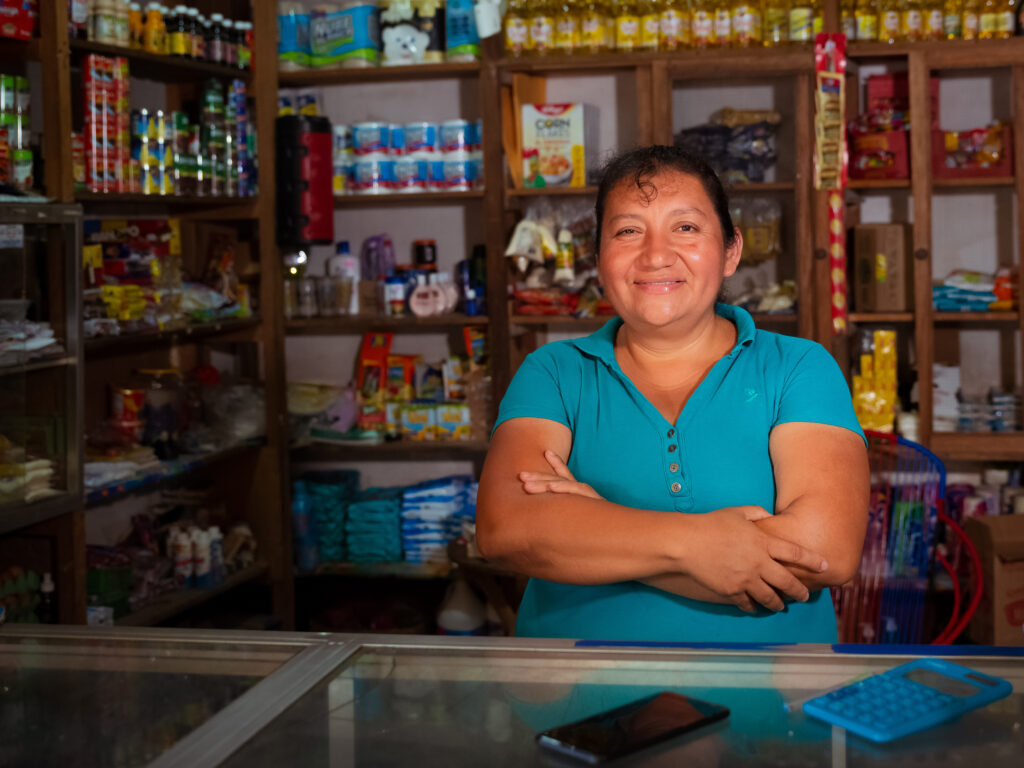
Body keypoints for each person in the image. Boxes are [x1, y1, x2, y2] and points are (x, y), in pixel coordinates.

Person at [476, 145, 869, 643]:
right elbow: (505, 529)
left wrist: (596, 526)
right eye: (627, 231)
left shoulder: (797, 367)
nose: (656, 255)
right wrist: (695, 545)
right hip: (581, 697)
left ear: (731, 251)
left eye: (685, 227)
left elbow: (826, 550)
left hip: (767, 702)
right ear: (598, 258)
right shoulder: (553, 372)